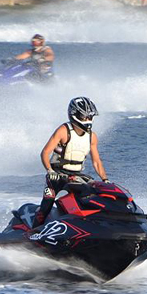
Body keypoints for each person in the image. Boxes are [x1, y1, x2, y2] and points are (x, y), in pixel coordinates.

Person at [33, 97, 109, 227]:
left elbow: (96, 161)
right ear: (74, 115)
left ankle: (89, 227)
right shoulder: (63, 131)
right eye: (84, 116)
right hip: (56, 175)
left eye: (90, 117)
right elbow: (45, 153)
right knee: (47, 204)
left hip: (75, 175)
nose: (88, 120)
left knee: (92, 196)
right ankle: (33, 232)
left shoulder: (92, 136)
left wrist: (105, 179)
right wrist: (49, 171)